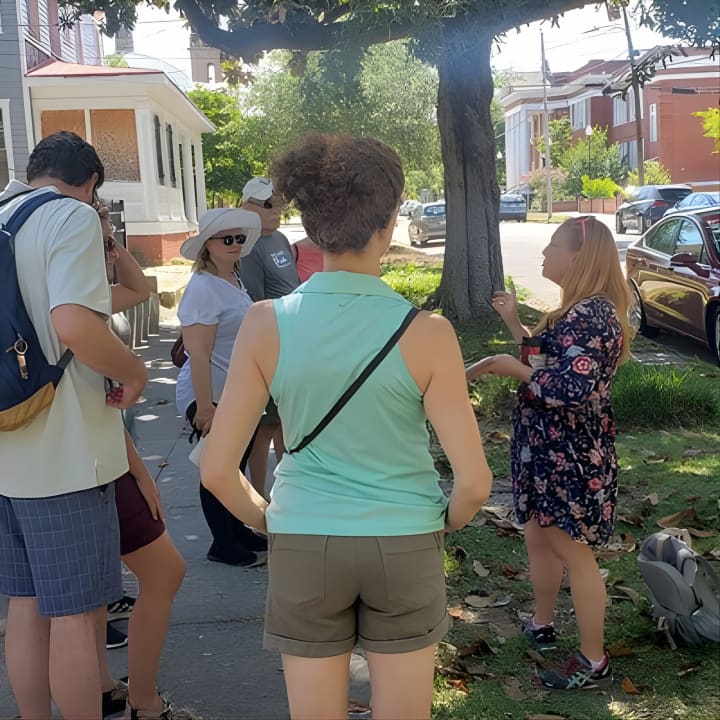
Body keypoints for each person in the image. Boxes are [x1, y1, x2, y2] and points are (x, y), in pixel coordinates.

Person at [201, 134, 493, 720]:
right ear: (389, 223)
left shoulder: (264, 323)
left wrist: (274, 519)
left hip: (304, 536)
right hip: (405, 537)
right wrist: (443, 521)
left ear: (309, 227)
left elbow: (216, 469)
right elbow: (474, 483)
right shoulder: (429, 334)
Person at [0, 131, 147, 719]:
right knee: (76, 616)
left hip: (6, 453)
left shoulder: (4, 214)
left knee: (25, 606)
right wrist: (133, 370)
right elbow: (75, 325)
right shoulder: (71, 218)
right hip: (65, 455)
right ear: (90, 184)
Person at [465, 215, 633, 690]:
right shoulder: (575, 311)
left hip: (570, 453)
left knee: (571, 549)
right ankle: (542, 623)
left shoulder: (592, 315)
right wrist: (513, 324)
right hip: (546, 447)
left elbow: (569, 389)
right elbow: (547, 362)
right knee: (539, 535)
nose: (544, 253)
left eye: (554, 245)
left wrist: (503, 367)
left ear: (581, 256)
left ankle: (594, 660)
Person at [95, 204, 187, 719]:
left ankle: (104, 686)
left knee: (88, 591)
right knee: (166, 572)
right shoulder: (77, 312)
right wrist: (138, 469)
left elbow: (141, 287)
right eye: (103, 240)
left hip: (92, 459)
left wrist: (109, 243)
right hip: (101, 463)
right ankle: (144, 702)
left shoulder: (79, 298)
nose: (111, 248)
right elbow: (104, 407)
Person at [175, 208, 267, 568]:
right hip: (210, 392)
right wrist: (205, 406)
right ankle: (222, 544)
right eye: (226, 238)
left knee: (233, 464)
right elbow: (198, 353)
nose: (235, 244)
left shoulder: (231, 279)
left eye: (239, 238)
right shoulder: (203, 287)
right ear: (207, 245)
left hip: (235, 391)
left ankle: (235, 530)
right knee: (217, 467)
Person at [239, 177, 300, 497]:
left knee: (285, 422)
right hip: (272, 346)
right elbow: (255, 304)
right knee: (265, 425)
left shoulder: (280, 239)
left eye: (278, 203)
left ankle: (289, 490)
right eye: (267, 204)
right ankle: (259, 496)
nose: (276, 210)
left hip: (294, 342)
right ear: (246, 206)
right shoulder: (248, 248)